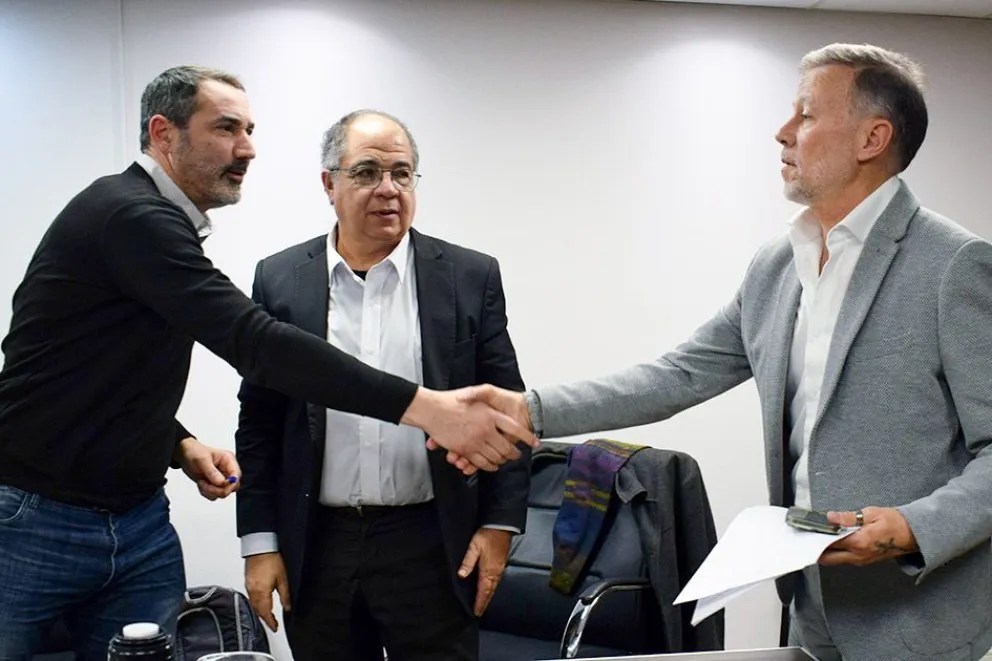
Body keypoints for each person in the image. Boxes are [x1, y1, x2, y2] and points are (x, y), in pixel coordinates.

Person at [444, 43, 992, 660]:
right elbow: (679, 374)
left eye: (806, 115)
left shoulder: (953, 265)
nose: (783, 132)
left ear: (872, 138)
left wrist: (914, 528)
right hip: (812, 604)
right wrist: (527, 411)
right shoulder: (777, 265)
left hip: (918, 618)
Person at [0, 67, 534, 661]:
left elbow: (97, 370)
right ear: (164, 134)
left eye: (249, 130)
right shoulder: (132, 216)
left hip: (141, 519)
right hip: (35, 517)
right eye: (226, 128)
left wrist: (177, 443)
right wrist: (426, 408)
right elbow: (257, 347)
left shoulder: (467, 275)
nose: (248, 148)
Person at [235, 109, 529, 661]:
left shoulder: (468, 277)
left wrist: (499, 525)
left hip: (432, 541)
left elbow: (508, 411)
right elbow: (259, 422)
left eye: (402, 173)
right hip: (318, 543)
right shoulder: (281, 280)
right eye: (367, 172)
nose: (388, 189)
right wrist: (259, 542)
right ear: (329, 184)